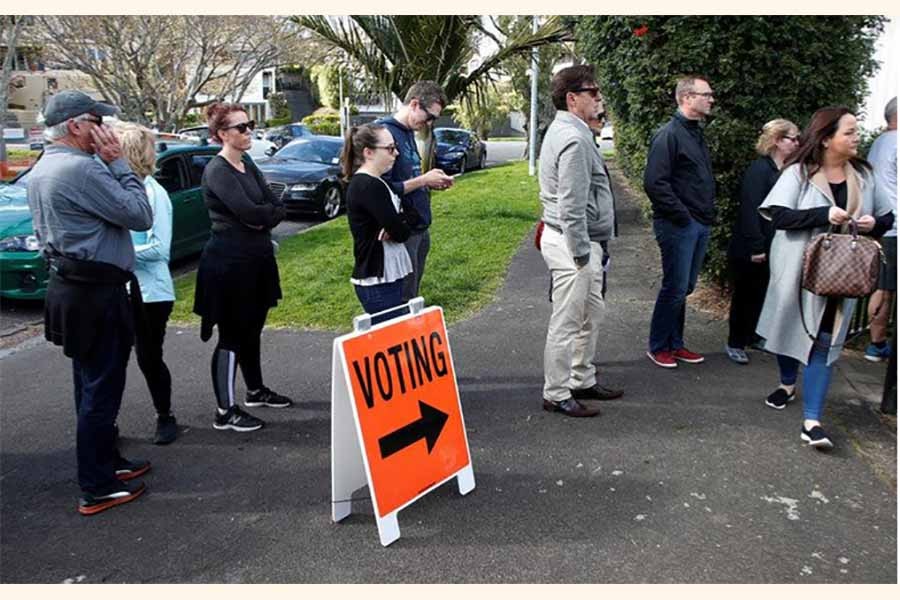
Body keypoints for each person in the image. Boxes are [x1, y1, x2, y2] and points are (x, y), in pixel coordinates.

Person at [27, 90, 154, 515]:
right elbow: (140, 214)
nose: (107, 129)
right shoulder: (82, 170)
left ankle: (106, 461)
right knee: (102, 387)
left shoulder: (45, 165)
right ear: (78, 126)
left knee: (88, 381)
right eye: (99, 120)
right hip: (96, 293)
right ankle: (96, 485)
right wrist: (118, 162)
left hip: (73, 287)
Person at [756, 106, 894, 449]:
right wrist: (822, 213)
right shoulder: (798, 173)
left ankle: (812, 421)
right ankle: (787, 381)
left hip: (842, 273)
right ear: (827, 138)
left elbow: (887, 217)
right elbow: (779, 217)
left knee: (826, 341)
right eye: (849, 131)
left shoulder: (864, 175)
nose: (856, 137)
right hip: (799, 270)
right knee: (790, 329)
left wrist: (872, 224)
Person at [193, 102, 292, 433]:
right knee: (233, 336)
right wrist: (266, 214)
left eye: (249, 125)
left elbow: (276, 204)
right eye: (241, 127)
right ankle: (224, 411)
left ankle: (255, 390)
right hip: (229, 266)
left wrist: (265, 213)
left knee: (253, 330)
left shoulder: (247, 163)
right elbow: (252, 213)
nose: (249, 131)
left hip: (257, 261)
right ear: (222, 134)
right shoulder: (217, 171)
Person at [538, 64, 622, 419]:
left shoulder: (573, 131)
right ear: (573, 99)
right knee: (568, 320)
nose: (599, 98)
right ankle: (556, 392)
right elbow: (571, 205)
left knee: (592, 313)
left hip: (578, 240)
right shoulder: (572, 138)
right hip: (574, 243)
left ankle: (581, 378)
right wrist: (581, 254)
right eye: (593, 92)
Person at [644, 75, 717, 369]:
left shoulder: (694, 133)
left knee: (684, 287)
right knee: (674, 287)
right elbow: (655, 183)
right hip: (679, 225)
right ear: (687, 98)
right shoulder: (669, 135)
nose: (711, 99)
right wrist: (684, 217)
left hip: (698, 223)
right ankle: (659, 345)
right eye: (706, 94)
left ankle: (675, 343)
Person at [114, 122, 178, 444]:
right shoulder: (119, 190)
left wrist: (118, 253)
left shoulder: (155, 193)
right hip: (118, 289)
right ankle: (107, 424)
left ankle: (165, 416)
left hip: (151, 293)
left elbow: (160, 249)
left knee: (148, 357)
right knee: (113, 359)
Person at [724, 119, 800, 364]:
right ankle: (735, 342)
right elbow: (750, 209)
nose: (797, 143)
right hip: (752, 245)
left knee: (762, 292)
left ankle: (753, 336)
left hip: (773, 243)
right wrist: (756, 246)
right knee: (745, 294)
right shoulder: (760, 169)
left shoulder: (786, 170)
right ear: (777, 140)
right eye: (793, 138)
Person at [377, 80, 455, 303]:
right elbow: (380, 189)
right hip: (402, 232)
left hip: (420, 228)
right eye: (429, 116)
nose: (429, 123)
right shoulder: (384, 134)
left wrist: (429, 182)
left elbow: (406, 179)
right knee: (402, 301)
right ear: (414, 104)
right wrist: (423, 180)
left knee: (412, 296)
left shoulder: (409, 132)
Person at [342, 123, 418, 324]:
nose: (397, 153)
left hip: (386, 275)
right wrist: (399, 223)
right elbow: (402, 233)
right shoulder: (368, 185)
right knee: (391, 337)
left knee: (394, 334)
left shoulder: (380, 182)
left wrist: (399, 221)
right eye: (390, 148)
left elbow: (412, 216)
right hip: (377, 278)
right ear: (369, 152)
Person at [864, 96, 897, 362]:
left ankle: (876, 342)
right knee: (884, 288)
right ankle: (876, 344)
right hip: (893, 226)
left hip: (878, 222)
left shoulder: (879, 143)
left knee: (881, 285)